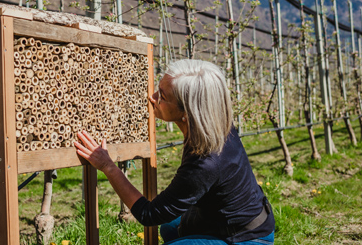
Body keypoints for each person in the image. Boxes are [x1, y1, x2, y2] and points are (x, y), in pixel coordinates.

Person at [74, 59, 275, 244]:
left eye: (162, 95)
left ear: (187, 114)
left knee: (167, 226)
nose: (152, 97)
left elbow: (148, 214)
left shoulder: (205, 162)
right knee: (170, 228)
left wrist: (108, 167)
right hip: (229, 219)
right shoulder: (215, 124)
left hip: (247, 237)